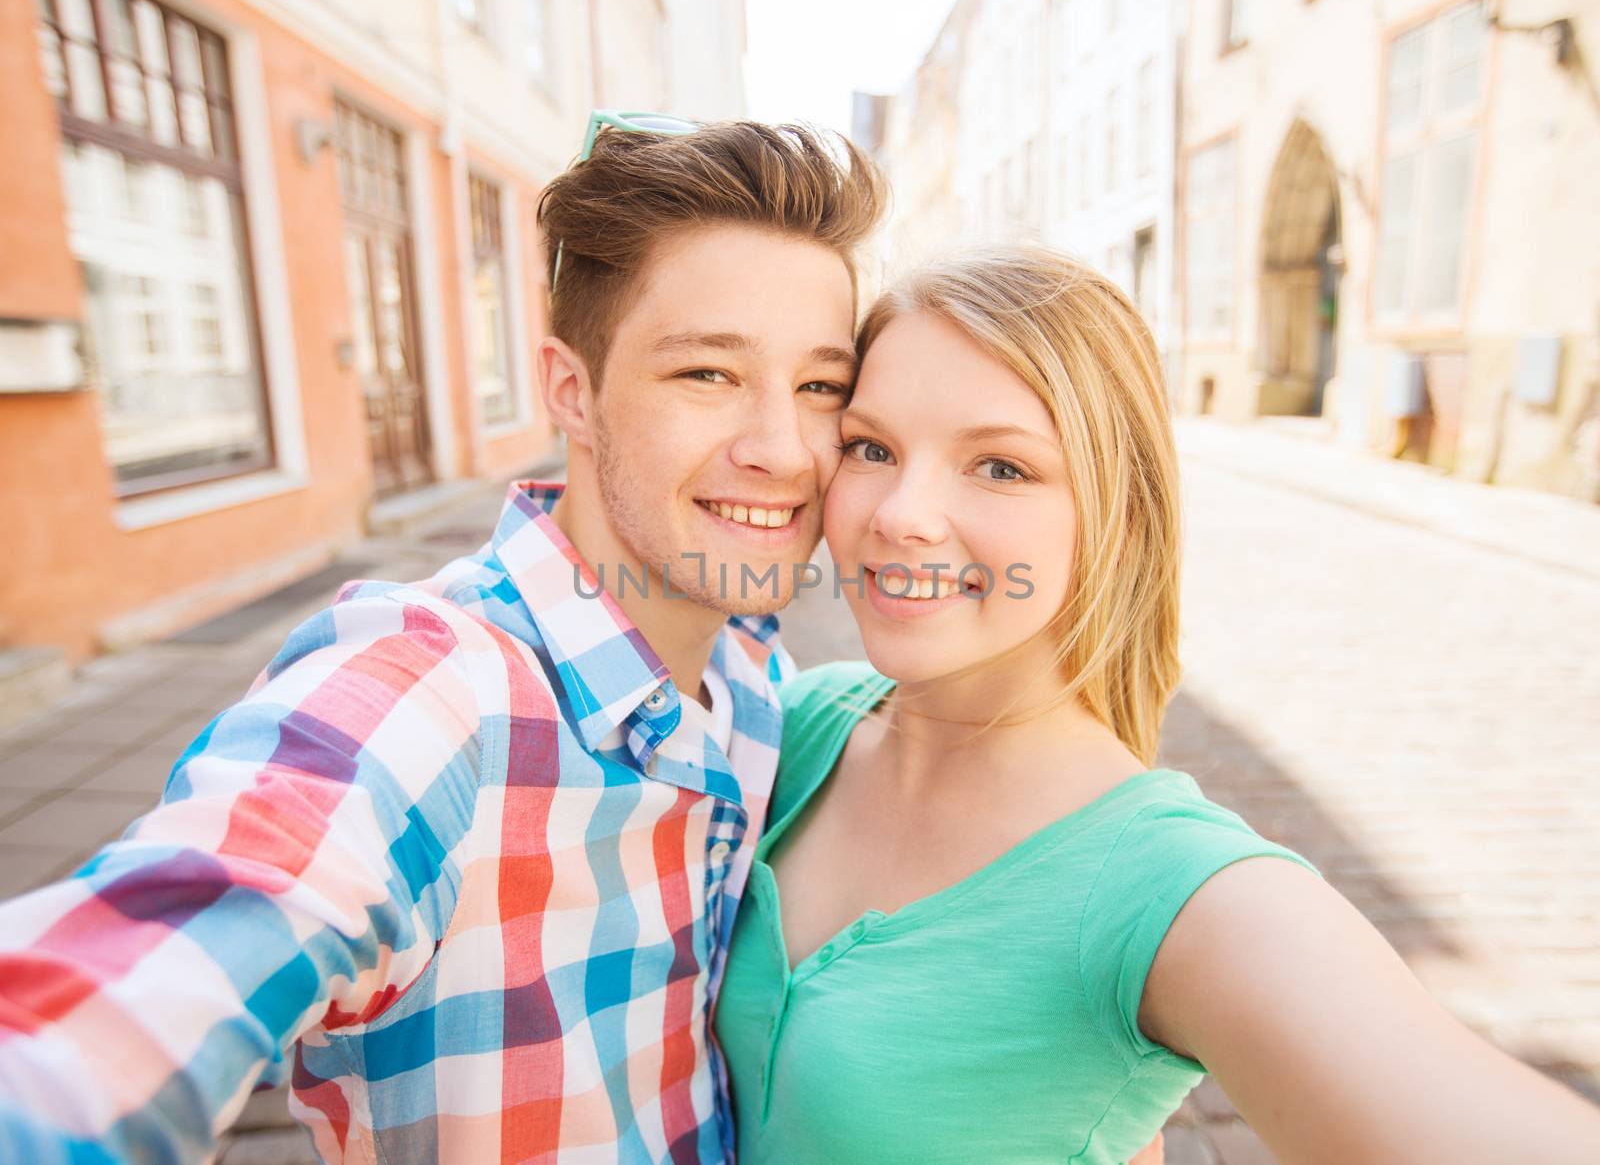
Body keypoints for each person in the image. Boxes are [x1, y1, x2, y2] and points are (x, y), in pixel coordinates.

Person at [0, 117, 884, 1163]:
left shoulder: (751, 681)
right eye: (706, 374)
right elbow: (130, 986)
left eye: (820, 386)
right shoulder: (432, 689)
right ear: (571, 390)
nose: (783, 449)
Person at [713, 246, 1600, 1163]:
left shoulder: (1170, 887)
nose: (901, 513)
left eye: (1002, 468)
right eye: (872, 447)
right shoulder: (793, 726)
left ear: (1118, 516)